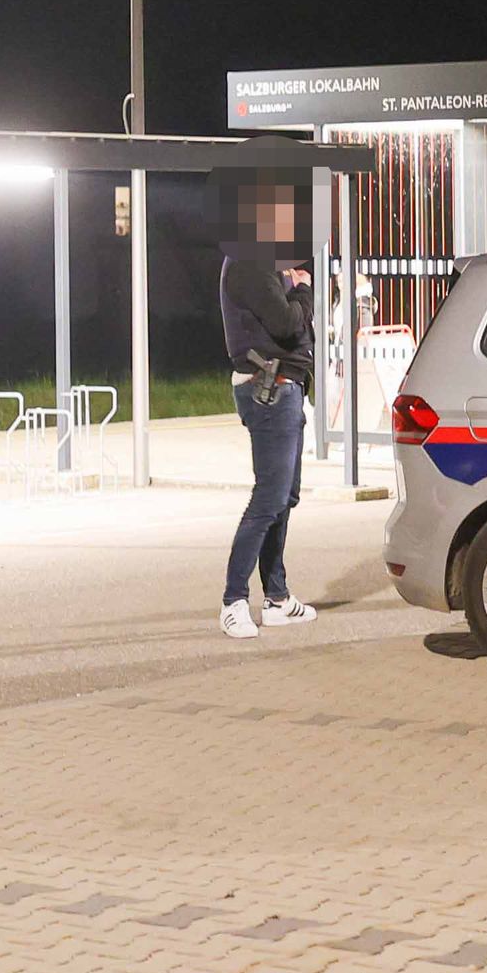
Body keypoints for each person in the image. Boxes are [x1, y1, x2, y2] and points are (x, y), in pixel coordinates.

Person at [217, 179, 317, 640]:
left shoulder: (265, 263)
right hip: (268, 389)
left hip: (285, 387)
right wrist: (303, 291)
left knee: (284, 498)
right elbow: (285, 324)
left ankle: (275, 597)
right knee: (268, 499)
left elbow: (292, 330)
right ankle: (234, 601)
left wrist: (294, 290)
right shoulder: (248, 265)